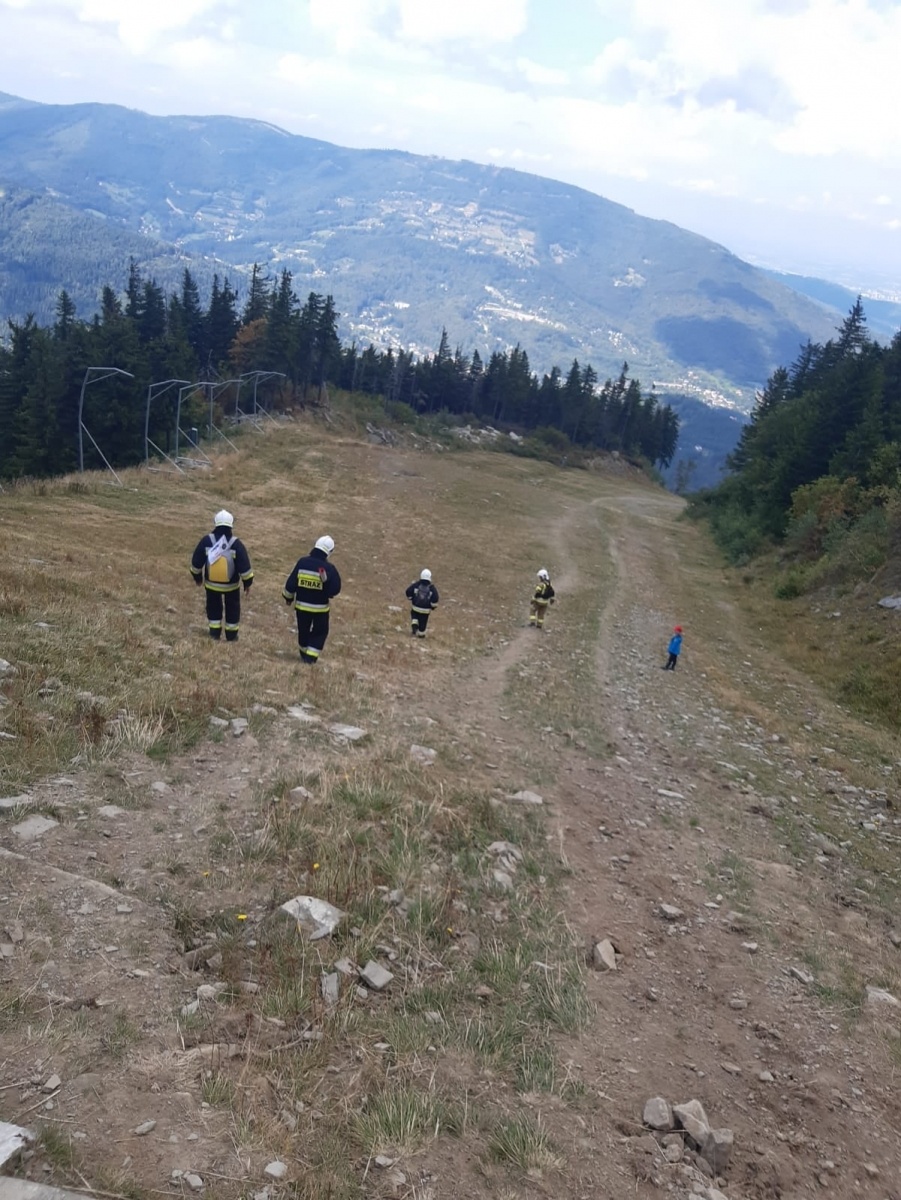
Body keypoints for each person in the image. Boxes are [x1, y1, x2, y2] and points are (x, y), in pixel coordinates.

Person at [190, 509, 254, 641]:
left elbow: (196, 564)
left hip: (211, 586)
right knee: (233, 609)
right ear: (231, 525)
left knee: (213, 607)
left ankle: (214, 633)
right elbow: (245, 568)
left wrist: (197, 578)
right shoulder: (236, 544)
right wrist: (247, 583)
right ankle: (231, 636)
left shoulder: (207, 541)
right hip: (231, 587)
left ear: (215, 523)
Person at [283, 535, 342, 665]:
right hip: (320, 610)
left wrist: (288, 597)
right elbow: (335, 589)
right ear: (329, 552)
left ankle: (304, 652)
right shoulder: (329, 569)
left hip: (301, 607)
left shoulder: (302, 562)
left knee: (303, 631)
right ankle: (310, 657)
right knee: (320, 632)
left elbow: (291, 583)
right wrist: (325, 585)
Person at [405, 569, 439, 638]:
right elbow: (436, 598)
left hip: (416, 607)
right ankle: (421, 634)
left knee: (414, 615)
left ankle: (414, 625)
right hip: (425, 611)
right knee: (423, 622)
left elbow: (408, 591)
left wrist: (411, 598)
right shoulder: (431, 588)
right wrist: (432, 606)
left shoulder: (416, 585)